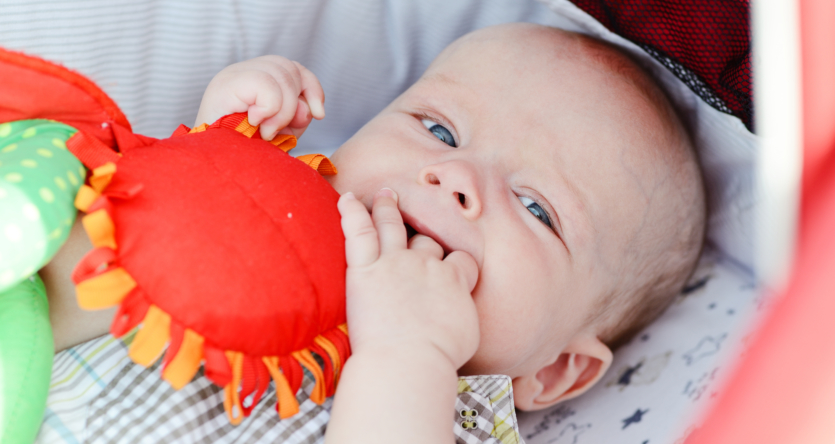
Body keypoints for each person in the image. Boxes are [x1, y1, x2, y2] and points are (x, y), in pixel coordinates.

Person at [37, 22, 706, 442]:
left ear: (555, 369)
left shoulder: (457, 412)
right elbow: (138, 250)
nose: (455, 177)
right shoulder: (287, 230)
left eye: (537, 209)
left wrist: (407, 355)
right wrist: (220, 152)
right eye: (438, 130)